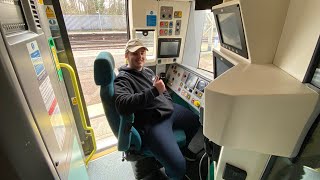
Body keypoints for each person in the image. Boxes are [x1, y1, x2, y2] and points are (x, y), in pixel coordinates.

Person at [114, 39, 200, 179]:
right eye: (135, 53)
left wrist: (167, 100)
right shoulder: (123, 79)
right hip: (154, 121)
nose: (140, 57)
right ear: (126, 56)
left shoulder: (147, 71)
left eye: (142, 53)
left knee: (195, 121)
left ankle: (183, 149)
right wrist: (154, 91)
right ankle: (172, 172)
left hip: (169, 110)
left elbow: (162, 88)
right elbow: (123, 105)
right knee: (179, 168)